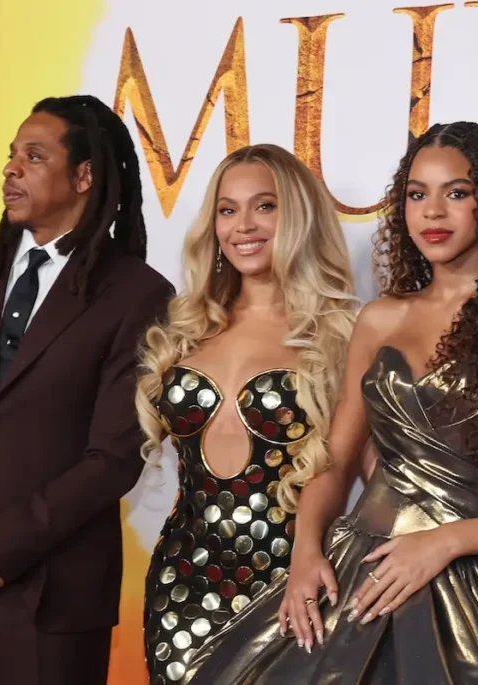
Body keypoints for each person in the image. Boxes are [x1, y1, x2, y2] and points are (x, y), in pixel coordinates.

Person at [182, 122, 478, 684]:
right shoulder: (380, 318)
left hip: (477, 581)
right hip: (363, 569)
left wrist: (445, 541)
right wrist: (306, 551)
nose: (432, 212)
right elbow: (332, 462)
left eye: (456, 193)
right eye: (416, 194)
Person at [0, 95, 174, 685]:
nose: (10, 169)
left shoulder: (137, 295)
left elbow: (113, 458)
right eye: (11, 155)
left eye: (34, 155)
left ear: (84, 176)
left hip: (53, 603)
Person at [134, 144, 360, 684]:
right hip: (182, 589)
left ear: (298, 216)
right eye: (227, 209)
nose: (243, 226)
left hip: (292, 586)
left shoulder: (340, 336)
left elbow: (370, 476)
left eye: (265, 206)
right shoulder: (187, 329)